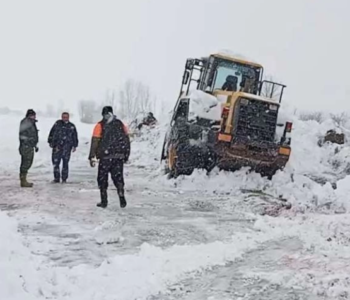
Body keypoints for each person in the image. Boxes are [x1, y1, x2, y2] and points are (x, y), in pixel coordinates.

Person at [88, 106, 130, 208]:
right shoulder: (120, 124)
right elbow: (127, 139)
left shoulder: (100, 125)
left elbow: (95, 140)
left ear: (103, 114)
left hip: (105, 157)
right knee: (118, 178)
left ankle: (104, 201)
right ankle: (120, 193)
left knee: (102, 178)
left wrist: (91, 156)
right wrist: (126, 154)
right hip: (118, 156)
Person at [48, 112, 78, 183]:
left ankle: (64, 178)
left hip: (67, 148)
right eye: (63, 117)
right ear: (61, 117)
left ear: (68, 117)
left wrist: (75, 145)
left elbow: (74, 136)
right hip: (57, 147)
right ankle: (56, 178)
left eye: (66, 117)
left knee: (65, 163)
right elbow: (51, 133)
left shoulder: (71, 126)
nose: (65, 118)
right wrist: (50, 142)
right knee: (55, 163)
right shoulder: (57, 124)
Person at [19, 109, 39, 187]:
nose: (34, 117)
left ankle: (23, 179)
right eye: (32, 115)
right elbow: (23, 135)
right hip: (26, 146)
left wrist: (35, 144)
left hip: (29, 146)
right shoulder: (26, 122)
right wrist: (29, 141)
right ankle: (23, 181)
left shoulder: (31, 122)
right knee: (26, 163)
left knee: (28, 162)